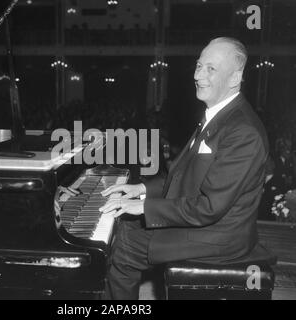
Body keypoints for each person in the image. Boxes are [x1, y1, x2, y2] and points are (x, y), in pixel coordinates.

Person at [99, 37, 271, 300]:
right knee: (124, 227)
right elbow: (180, 175)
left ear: (235, 77)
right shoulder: (219, 116)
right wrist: (141, 188)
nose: (198, 75)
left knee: (123, 244)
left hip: (220, 238)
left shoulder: (243, 131)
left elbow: (209, 207)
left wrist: (144, 207)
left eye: (210, 69)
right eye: (199, 66)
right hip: (210, 224)